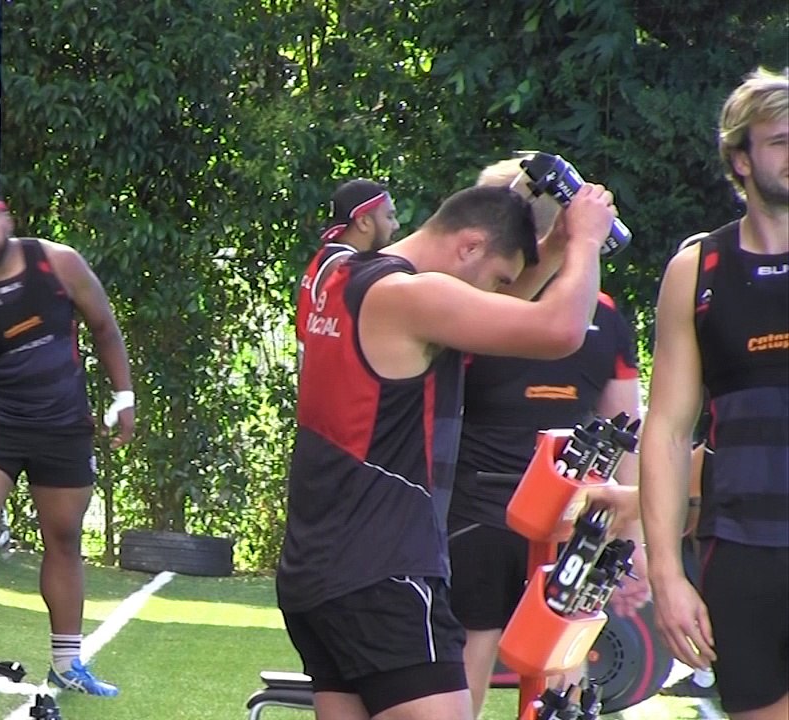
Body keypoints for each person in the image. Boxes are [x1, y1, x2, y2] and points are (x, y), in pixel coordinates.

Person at [278, 181, 617, 720]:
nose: (498, 292)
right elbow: (560, 329)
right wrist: (586, 242)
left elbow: (487, 310)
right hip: (386, 572)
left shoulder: (340, 274)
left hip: (317, 572)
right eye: (498, 277)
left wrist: (550, 248)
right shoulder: (410, 297)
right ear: (468, 246)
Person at [446, 157, 648, 717]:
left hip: (564, 513)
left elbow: (625, 434)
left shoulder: (600, 315)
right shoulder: (473, 306)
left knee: (560, 669)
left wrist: (634, 541)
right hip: (484, 510)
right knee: (476, 661)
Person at [640, 67, 788, 720]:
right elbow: (667, 432)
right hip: (740, 556)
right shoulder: (697, 271)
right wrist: (668, 578)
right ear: (740, 157)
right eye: (782, 140)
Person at [0, 189, 134, 696]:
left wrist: (124, 396)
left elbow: (104, 326)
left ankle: (67, 663)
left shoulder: (58, 263)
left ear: (7, 219)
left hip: (62, 425)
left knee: (64, 538)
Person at [296, 178, 399, 353]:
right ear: (363, 222)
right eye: (389, 216)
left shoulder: (329, 256)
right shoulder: (345, 266)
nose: (396, 225)